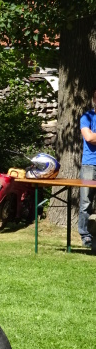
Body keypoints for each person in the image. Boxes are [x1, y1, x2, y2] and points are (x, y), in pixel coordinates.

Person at [78, 88, 96, 247]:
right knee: (85, 202)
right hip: (90, 165)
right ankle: (85, 235)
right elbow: (89, 137)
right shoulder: (87, 117)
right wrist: (92, 136)